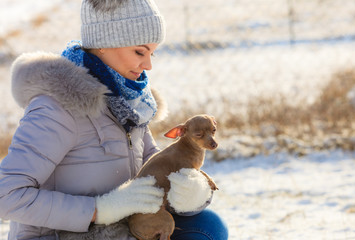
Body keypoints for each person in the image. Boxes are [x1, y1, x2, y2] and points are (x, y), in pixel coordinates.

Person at [0, 0, 228, 239]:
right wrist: (100, 209)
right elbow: (6, 195)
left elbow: (153, 164)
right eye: (140, 51)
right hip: (63, 235)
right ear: (104, 45)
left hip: (123, 229)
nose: (148, 65)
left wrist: (187, 189)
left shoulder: (128, 102)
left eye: (152, 52)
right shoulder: (55, 108)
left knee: (207, 225)